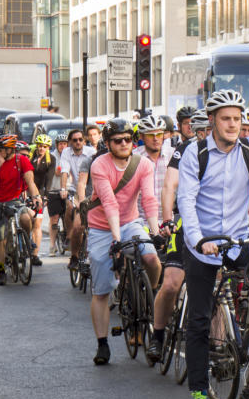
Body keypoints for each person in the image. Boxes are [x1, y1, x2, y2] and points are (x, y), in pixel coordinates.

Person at [177, 89, 249, 399]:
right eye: (226, 119)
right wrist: (197, 239)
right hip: (203, 244)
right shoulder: (196, 153)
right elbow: (187, 202)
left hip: (238, 241)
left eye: (237, 118)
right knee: (199, 318)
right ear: (212, 121)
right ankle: (198, 393)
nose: (233, 124)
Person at [85, 119, 161, 366]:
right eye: (118, 140)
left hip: (130, 222)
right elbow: (108, 203)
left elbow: (149, 199)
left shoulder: (143, 164)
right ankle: (102, 343)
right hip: (101, 227)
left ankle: (148, 295)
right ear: (108, 144)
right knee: (102, 288)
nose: (124, 144)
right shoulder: (99, 165)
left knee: (152, 258)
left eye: (128, 139)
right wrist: (116, 241)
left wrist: (156, 230)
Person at [150, 110, 210, 364]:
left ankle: (216, 348)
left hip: (216, 226)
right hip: (186, 221)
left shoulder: (233, 151)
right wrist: (167, 219)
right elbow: (169, 186)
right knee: (172, 283)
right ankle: (158, 335)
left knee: (216, 289)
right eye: (204, 130)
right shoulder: (185, 150)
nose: (209, 135)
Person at [0, 135, 42, 286]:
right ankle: (1, 270)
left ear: (10, 149)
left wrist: (36, 196)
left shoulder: (21, 160)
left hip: (14, 200)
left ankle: (27, 240)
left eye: (0, 149)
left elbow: (30, 181)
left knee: (25, 218)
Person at [59, 128, 90, 273]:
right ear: (70, 142)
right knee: (70, 208)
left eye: (80, 140)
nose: (78, 142)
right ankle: (72, 248)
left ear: (84, 141)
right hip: (76, 189)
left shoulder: (91, 152)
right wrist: (63, 188)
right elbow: (65, 171)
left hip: (93, 193)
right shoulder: (66, 152)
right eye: (75, 140)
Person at [133, 115, 172, 227]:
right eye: (150, 135)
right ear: (142, 136)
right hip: (140, 221)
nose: (156, 138)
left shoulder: (173, 155)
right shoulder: (134, 157)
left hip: (167, 220)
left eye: (159, 134)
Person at [27, 134, 56, 266]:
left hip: (41, 194)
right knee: (27, 221)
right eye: (39, 146)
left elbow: (49, 179)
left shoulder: (51, 159)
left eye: (44, 146)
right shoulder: (31, 156)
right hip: (28, 192)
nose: (41, 148)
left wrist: (45, 196)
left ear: (48, 147)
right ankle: (24, 243)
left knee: (37, 224)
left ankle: (35, 255)